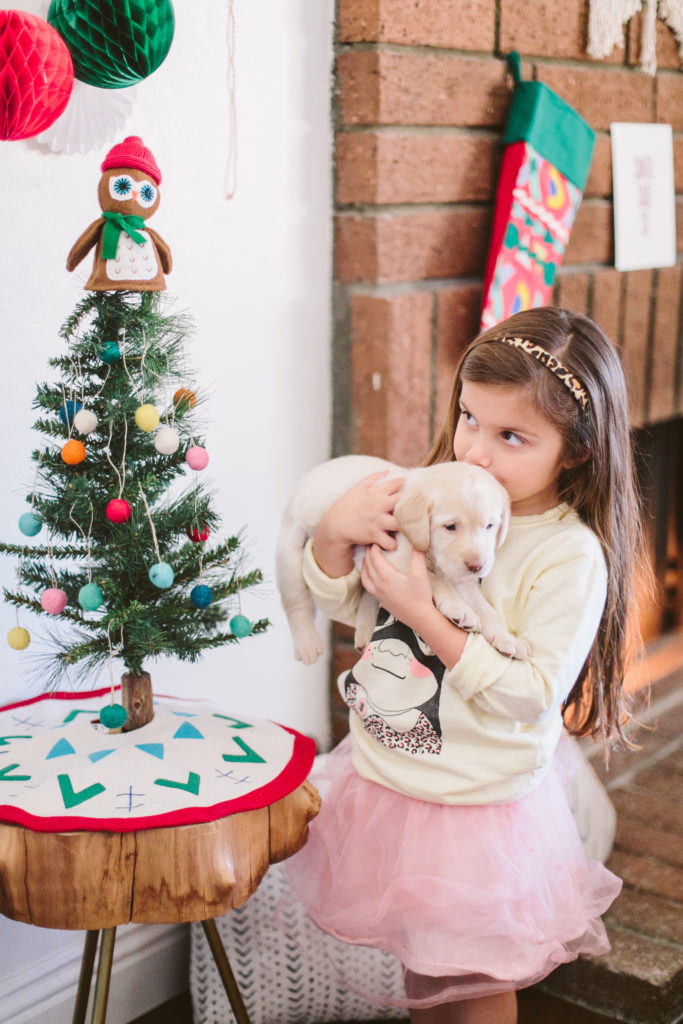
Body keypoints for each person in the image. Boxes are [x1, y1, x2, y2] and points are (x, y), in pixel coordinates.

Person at [283, 307, 647, 1024]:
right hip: (391, 783)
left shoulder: (566, 556)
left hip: (479, 808)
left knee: (476, 982)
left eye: (511, 436)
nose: (475, 451)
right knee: (424, 972)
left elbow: (532, 694)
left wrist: (426, 616)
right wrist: (331, 540)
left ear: (576, 451)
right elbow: (354, 608)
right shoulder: (431, 502)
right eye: (469, 418)